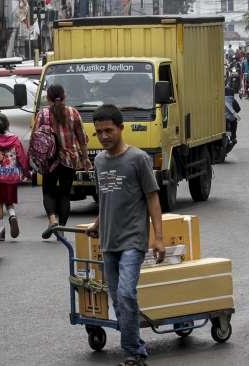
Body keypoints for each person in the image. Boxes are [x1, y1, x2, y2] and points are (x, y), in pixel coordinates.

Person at [86, 105, 165, 366]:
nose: (104, 136)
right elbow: (107, 198)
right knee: (118, 300)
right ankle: (137, 347)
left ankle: (132, 352)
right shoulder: (98, 161)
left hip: (133, 239)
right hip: (108, 240)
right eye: (99, 132)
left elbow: (152, 198)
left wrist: (159, 237)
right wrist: (97, 223)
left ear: (121, 128)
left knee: (126, 294)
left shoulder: (138, 159)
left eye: (109, 130)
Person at [37, 84, 92, 238]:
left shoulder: (43, 114)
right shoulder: (73, 112)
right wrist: (85, 158)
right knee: (65, 193)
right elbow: (82, 138)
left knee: (48, 191)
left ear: (47, 98)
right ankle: (61, 228)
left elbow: (37, 137)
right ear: (64, 96)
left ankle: (53, 220)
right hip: (70, 159)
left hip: (50, 159)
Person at [0, 113, 29, 238]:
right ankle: (12, 216)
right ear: (7, 125)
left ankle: (0, 231)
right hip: (11, 177)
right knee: (9, 202)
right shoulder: (15, 140)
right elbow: (22, 158)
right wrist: (26, 172)